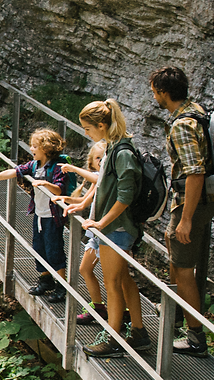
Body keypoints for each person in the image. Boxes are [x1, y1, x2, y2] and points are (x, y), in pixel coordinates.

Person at [57, 100, 151, 359]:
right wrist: (82, 204)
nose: (87, 134)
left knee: (112, 284)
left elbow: (126, 195)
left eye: (88, 129)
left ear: (101, 125)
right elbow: (102, 186)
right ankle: (139, 333)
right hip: (113, 227)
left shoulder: (122, 153)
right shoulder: (114, 148)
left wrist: (101, 222)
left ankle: (114, 338)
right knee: (124, 280)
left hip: (117, 229)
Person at [150, 65, 214, 356]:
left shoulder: (182, 125)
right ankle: (176, 311)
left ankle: (195, 338)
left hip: (190, 203)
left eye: (154, 91)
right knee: (176, 256)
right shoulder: (197, 110)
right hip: (203, 197)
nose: (153, 96)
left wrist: (187, 219)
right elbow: (209, 155)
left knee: (183, 268)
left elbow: (194, 171)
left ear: (163, 93)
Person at [0, 127, 72, 304]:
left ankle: (62, 286)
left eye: (34, 146)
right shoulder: (34, 165)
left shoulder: (58, 167)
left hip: (52, 217)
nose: (31, 149)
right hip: (39, 213)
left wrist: (45, 184)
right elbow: (14, 171)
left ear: (46, 148)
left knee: (54, 250)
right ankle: (45, 280)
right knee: (39, 247)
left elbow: (60, 189)